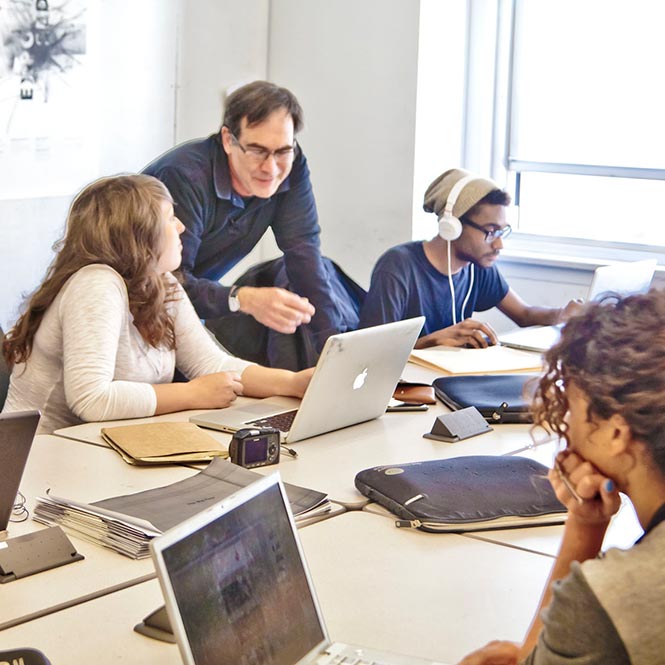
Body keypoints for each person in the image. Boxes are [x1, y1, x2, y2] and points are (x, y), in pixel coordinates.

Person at [1, 175, 313, 434]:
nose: (181, 227)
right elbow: (92, 399)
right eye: (169, 218)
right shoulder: (96, 283)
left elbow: (213, 365)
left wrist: (292, 383)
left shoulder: (160, 281)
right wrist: (192, 393)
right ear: (136, 234)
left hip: (100, 447)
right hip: (39, 459)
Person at [457, 290, 665, 665]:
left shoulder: (613, 595)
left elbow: (534, 658)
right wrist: (587, 522)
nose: (565, 424)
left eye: (572, 405)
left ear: (616, 434)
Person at [142, 80, 357, 366]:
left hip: (189, 303)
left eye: (283, 151)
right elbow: (167, 283)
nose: (271, 168)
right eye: (257, 150)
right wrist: (241, 299)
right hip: (139, 308)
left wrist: (335, 350)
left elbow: (304, 254)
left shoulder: (290, 165)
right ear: (229, 140)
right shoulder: (184, 177)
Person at [359, 168, 582, 349]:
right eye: (490, 231)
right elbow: (371, 353)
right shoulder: (398, 266)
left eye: (502, 232)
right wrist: (433, 341)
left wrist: (563, 315)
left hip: (448, 384)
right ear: (452, 226)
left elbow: (524, 314)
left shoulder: (479, 266)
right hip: (407, 394)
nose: (498, 244)